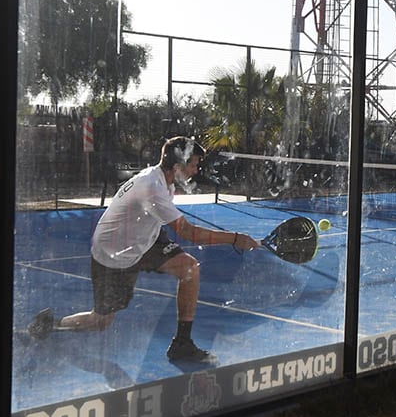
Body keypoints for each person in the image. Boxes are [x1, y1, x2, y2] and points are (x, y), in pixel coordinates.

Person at [28, 135, 260, 366]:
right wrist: (236, 238)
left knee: (189, 268)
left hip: (145, 240)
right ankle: (54, 323)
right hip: (114, 253)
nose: (196, 170)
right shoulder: (152, 187)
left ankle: (182, 343)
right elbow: (189, 233)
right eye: (194, 164)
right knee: (101, 322)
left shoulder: (163, 179)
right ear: (178, 166)